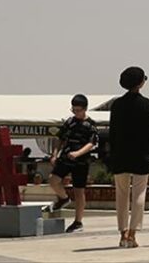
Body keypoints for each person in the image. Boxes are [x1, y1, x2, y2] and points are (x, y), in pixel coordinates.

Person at [109, 66, 149, 249]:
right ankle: (132, 233)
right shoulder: (147, 105)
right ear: (140, 83)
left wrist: (112, 155)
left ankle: (122, 233)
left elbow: (112, 133)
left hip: (120, 155)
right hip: (141, 155)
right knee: (138, 194)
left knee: (121, 195)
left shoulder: (116, 105)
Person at [48, 94, 99, 234]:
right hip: (66, 157)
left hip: (81, 161)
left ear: (85, 109)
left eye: (78, 110)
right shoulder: (70, 122)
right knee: (53, 180)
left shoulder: (91, 125)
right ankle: (63, 198)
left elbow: (91, 143)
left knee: (79, 190)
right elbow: (59, 138)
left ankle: (78, 221)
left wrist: (78, 153)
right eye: (73, 110)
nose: (76, 113)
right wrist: (54, 154)